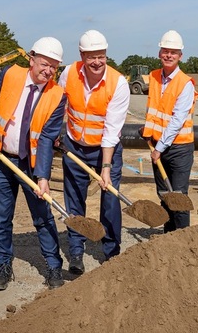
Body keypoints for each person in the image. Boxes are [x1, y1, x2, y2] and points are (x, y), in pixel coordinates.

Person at [0, 37, 66, 291]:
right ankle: (3, 266)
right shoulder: (10, 74)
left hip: (31, 165)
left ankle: (54, 267)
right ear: (32, 59)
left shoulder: (57, 95)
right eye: (45, 64)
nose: (48, 71)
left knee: (43, 217)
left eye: (54, 67)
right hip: (1, 158)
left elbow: (45, 138)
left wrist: (42, 177)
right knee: (2, 217)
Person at [57, 30, 130, 274]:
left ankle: (111, 253)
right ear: (82, 55)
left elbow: (111, 130)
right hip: (75, 146)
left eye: (101, 56)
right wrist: (58, 137)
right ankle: (76, 252)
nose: (97, 62)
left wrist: (106, 168)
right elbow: (58, 106)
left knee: (110, 199)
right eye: (91, 57)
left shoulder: (118, 83)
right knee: (75, 200)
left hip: (104, 150)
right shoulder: (68, 73)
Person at [141, 30, 198, 233]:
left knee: (179, 196)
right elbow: (154, 109)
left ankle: (182, 239)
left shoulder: (185, 83)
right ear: (159, 53)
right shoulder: (154, 77)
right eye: (165, 51)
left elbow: (176, 120)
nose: (168, 55)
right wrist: (148, 131)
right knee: (165, 194)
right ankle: (169, 236)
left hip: (179, 148)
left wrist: (160, 147)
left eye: (173, 52)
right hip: (157, 144)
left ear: (180, 56)